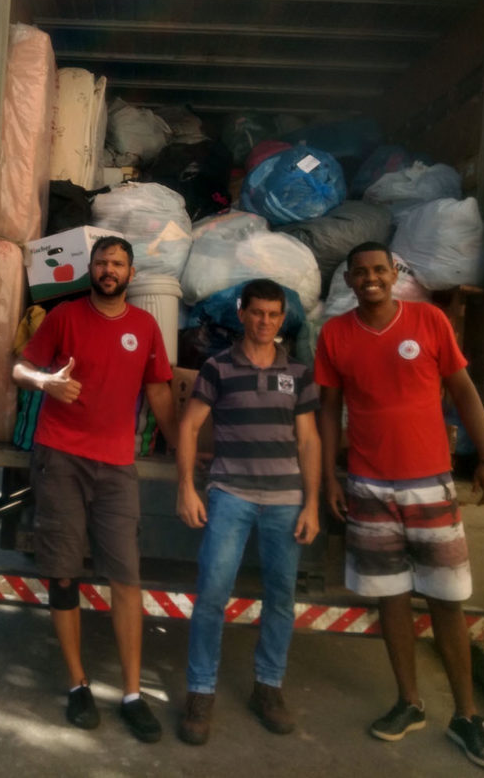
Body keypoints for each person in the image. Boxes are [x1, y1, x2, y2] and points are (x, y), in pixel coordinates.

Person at [315, 241, 484, 772]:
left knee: (447, 600)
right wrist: (330, 474)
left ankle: (466, 716)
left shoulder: (429, 322)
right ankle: (409, 703)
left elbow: (462, 389)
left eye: (380, 270)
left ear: (394, 274)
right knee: (390, 598)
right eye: (361, 273)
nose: (371, 278)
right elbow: (329, 411)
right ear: (349, 281)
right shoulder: (335, 335)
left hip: (430, 486)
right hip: (370, 487)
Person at [12, 235, 177, 743]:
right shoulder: (63, 317)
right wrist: (47, 384)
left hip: (116, 466)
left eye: (118, 263)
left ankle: (132, 693)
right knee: (63, 574)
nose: (109, 270)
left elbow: (158, 389)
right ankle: (77, 684)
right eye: (102, 262)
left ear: (131, 272)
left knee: (126, 579)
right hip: (59, 457)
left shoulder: (145, 326)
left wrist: (185, 454)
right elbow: (19, 367)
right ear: (91, 268)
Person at [175, 279, 321, 745]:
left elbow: (309, 440)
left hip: (285, 500)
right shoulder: (217, 368)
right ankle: (199, 693)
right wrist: (186, 489)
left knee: (280, 598)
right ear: (242, 314)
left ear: (283, 319)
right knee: (212, 593)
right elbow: (190, 426)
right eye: (257, 312)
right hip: (230, 495)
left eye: (274, 314)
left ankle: (269, 687)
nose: (265, 321)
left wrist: (313, 503)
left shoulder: (297, 373)